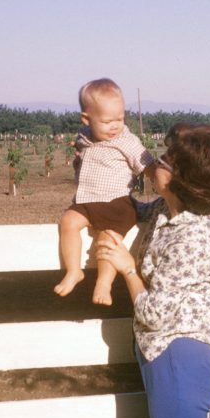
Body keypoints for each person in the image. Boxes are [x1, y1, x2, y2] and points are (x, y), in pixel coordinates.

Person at [94, 123, 210, 418]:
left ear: (180, 179)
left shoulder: (192, 236)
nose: (153, 163)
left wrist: (128, 269)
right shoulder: (168, 210)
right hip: (172, 361)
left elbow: (154, 314)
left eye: (162, 159)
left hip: (178, 361)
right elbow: (135, 211)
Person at [53, 78, 154, 305]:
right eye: (107, 121)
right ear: (86, 119)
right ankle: (73, 271)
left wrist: (161, 178)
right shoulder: (84, 137)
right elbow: (82, 147)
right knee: (67, 222)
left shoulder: (127, 141)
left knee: (106, 242)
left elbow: (147, 164)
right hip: (86, 201)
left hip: (116, 204)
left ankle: (104, 283)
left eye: (120, 118)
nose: (115, 126)